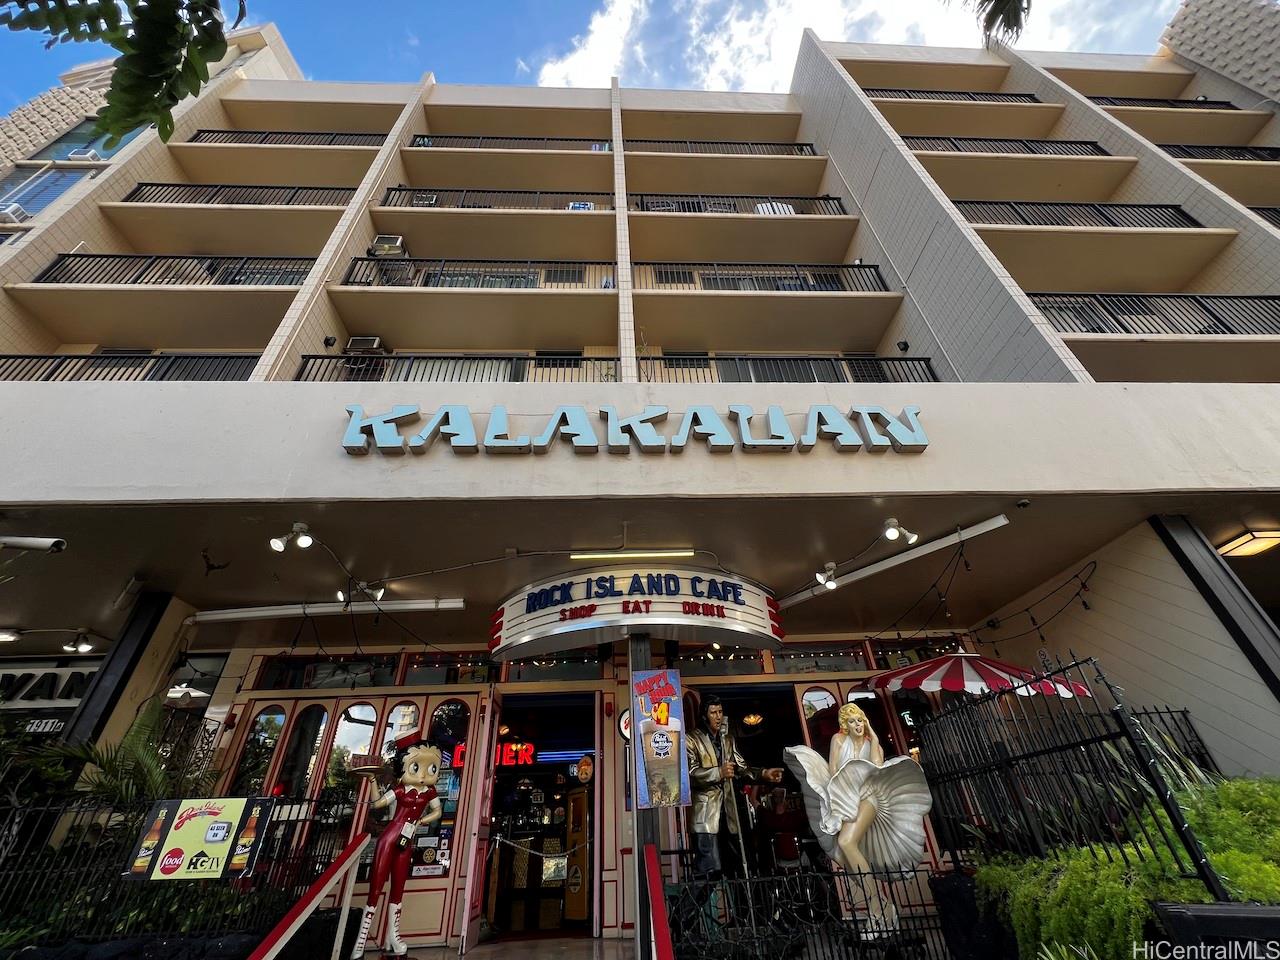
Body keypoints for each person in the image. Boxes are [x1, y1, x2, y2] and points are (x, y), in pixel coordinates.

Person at [784, 703, 932, 934]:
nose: (857, 725)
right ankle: (881, 907)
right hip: (846, 798)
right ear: (845, 725)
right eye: (852, 721)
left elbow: (877, 768)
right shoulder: (838, 740)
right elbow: (833, 770)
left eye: (860, 720)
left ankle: (878, 910)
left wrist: (874, 737)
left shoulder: (871, 743)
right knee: (842, 854)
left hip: (869, 796)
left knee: (846, 842)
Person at [350, 738, 444, 959]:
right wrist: (372, 780)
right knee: (376, 886)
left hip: (407, 839)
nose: (424, 774)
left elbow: (437, 812)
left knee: (398, 888)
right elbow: (377, 804)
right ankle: (360, 941)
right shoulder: (401, 790)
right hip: (390, 837)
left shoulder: (429, 792)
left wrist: (421, 821)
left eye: (432, 768)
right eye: (416, 766)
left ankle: (393, 936)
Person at [686, 694, 783, 878]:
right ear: (704, 716)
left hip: (731, 815)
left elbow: (741, 769)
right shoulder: (691, 739)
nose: (718, 716)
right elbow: (690, 774)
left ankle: (742, 897)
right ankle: (690, 899)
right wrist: (718, 772)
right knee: (709, 872)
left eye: (720, 712)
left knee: (740, 868)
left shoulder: (728, 739)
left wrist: (763, 774)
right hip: (707, 816)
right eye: (713, 712)